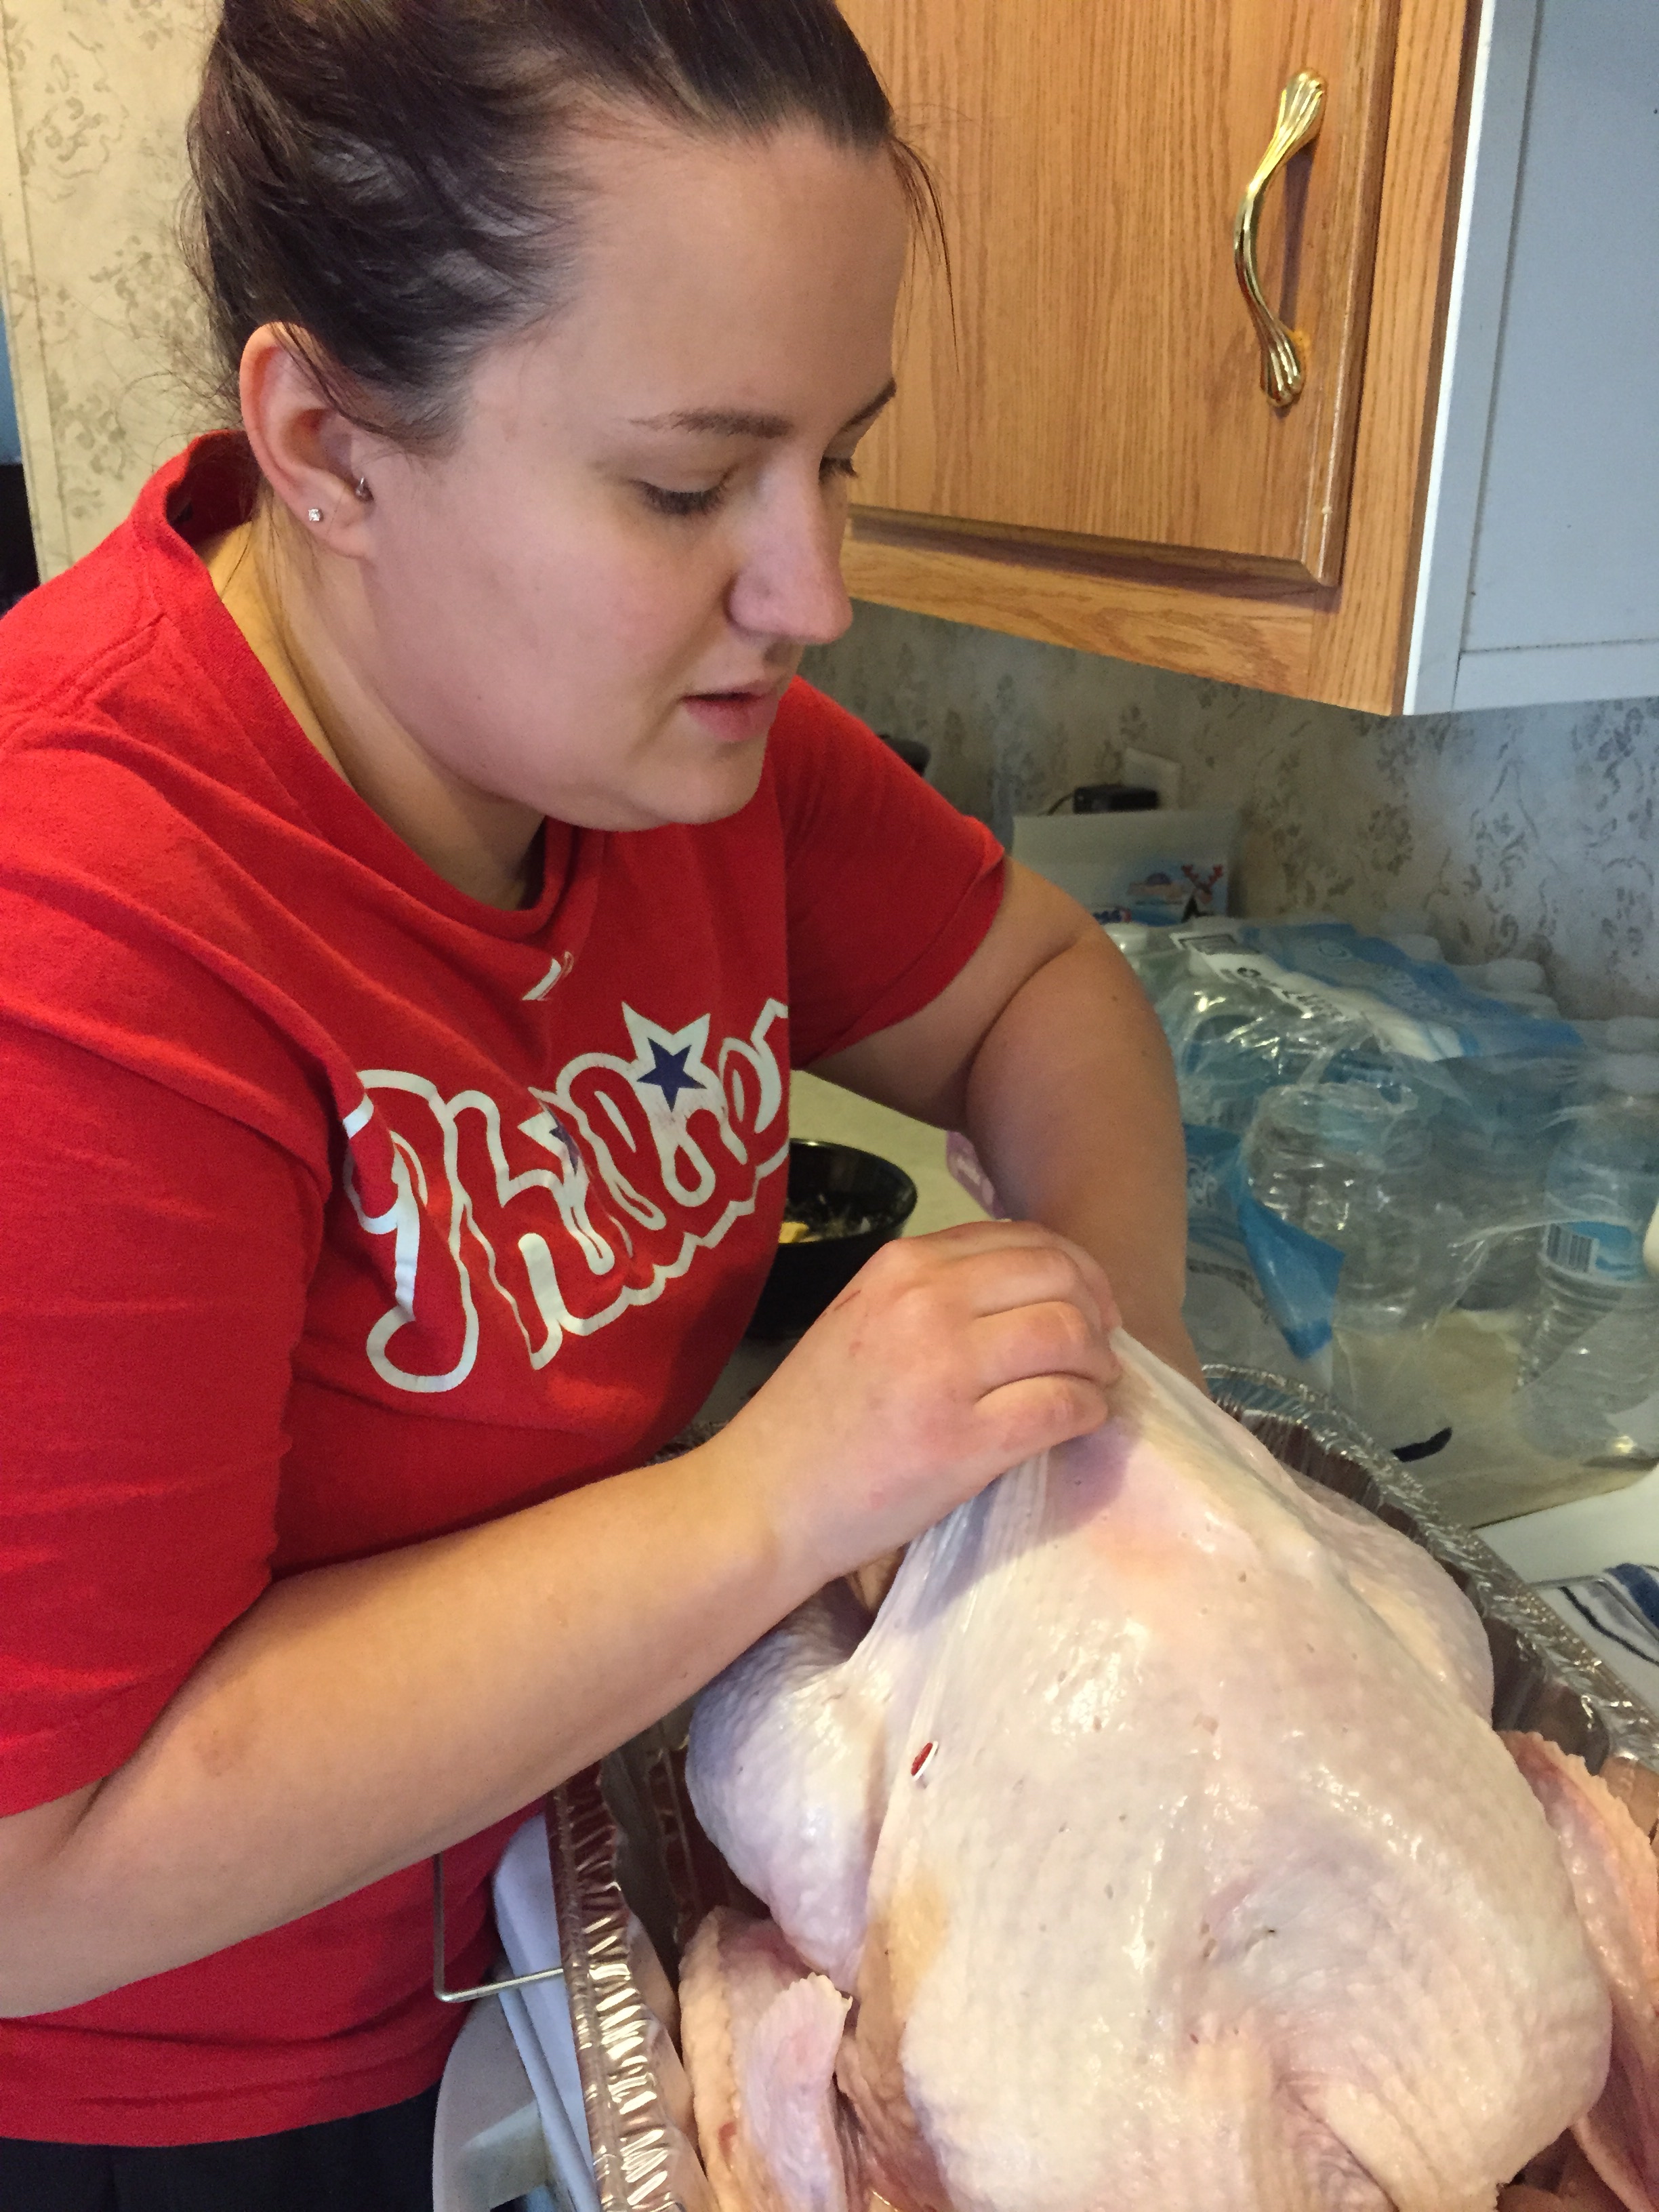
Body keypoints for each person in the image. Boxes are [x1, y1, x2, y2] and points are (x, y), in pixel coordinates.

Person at [0, 1, 1194, 2202]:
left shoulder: (679, 751)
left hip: (559, 1919)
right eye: (685, 487)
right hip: (190, 2094)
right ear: (327, 441)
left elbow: (1043, 987)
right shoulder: (79, 916)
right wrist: (774, 1498)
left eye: (838, 458)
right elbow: (37, 1873)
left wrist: (1131, 1464)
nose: (814, 591)